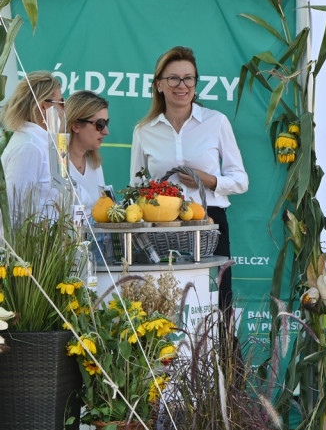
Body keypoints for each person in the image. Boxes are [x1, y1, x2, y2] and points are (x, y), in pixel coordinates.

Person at [130, 46, 248, 310]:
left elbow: (241, 180)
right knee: (166, 300)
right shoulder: (144, 131)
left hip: (210, 222)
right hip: (163, 228)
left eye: (188, 78)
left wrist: (209, 180)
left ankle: (222, 351)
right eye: (173, 78)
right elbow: (136, 188)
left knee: (217, 300)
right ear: (159, 84)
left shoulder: (216, 122)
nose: (181, 85)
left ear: (195, 84)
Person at [0, 71, 64, 217]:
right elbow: (13, 210)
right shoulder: (29, 147)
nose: (64, 110)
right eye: (61, 103)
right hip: (30, 239)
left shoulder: (41, 143)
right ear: (44, 107)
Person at [65, 91, 110, 209]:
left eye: (106, 123)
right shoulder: (56, 164)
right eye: (100, 124)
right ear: (75, 125)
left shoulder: (94, 164)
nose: (106, 131)